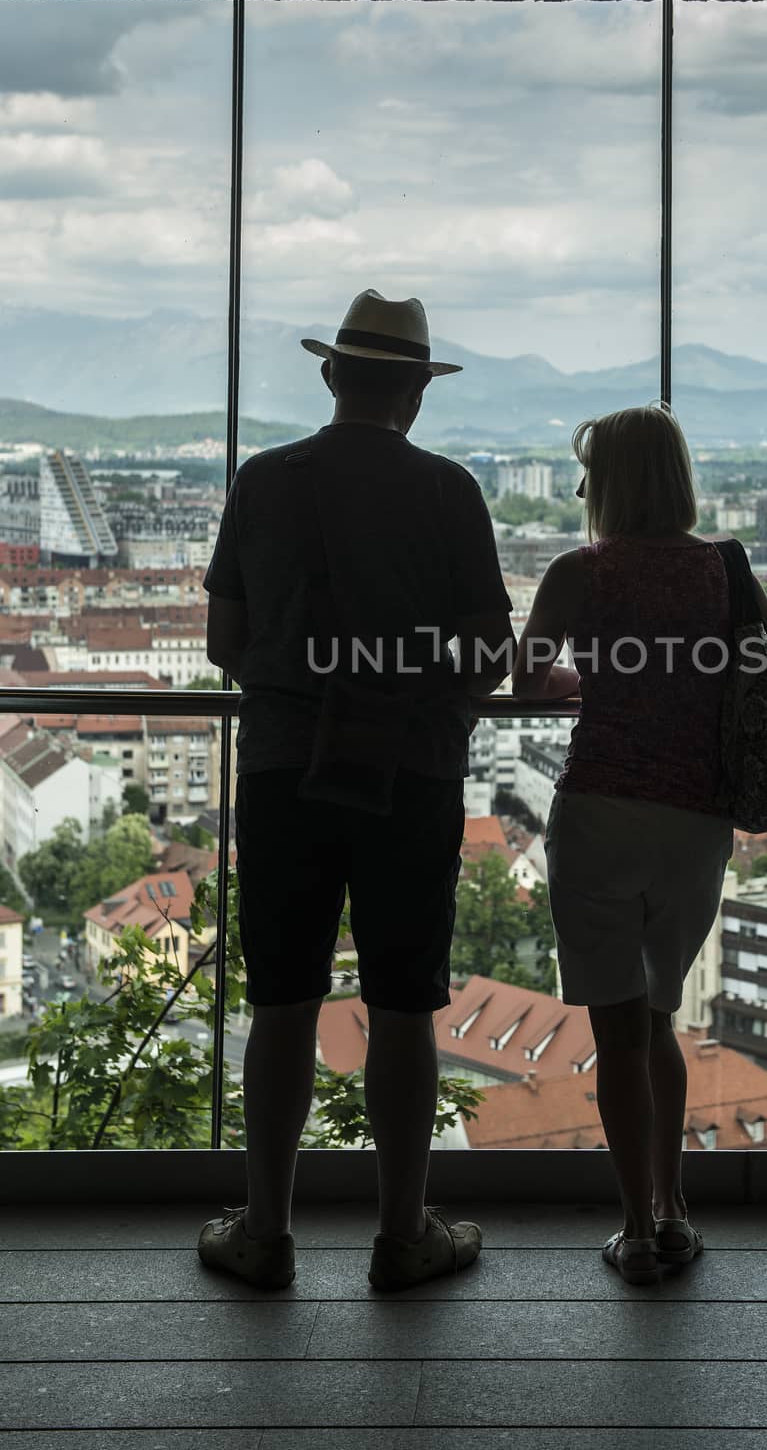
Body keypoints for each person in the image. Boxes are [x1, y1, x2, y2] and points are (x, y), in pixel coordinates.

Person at [196, 289, 515, 1293]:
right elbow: (488, 653)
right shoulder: (451, 492)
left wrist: (303, 691)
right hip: (410, 772)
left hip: (286, 768)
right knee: (406, 1006)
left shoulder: (263, 482)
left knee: (283, 1000)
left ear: (332, 374)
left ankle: (267, 1231)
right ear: (416, 389)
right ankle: (401, 1232)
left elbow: (224, 642)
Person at [512, 403, 767, 1285]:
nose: (577, 488)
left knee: (616, 1037)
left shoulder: (577, 571)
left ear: (609, 483)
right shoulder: (725, 568)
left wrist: (589, 682)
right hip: (693, 824)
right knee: (659, 1020)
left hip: (599, 812)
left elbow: (527, 682)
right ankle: (677, 1209)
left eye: (586, 473)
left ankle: (635, 1227)